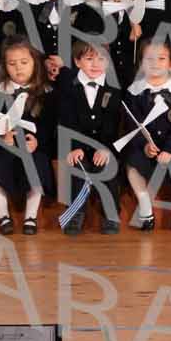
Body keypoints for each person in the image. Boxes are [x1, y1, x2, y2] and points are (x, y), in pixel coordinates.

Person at [0, 38, 49, 235]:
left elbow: (50, 125)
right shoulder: (2, 90)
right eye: (12, 64)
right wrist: (2, 136)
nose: (18, 68)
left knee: (37, 164)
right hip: (5, 143)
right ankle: (3, 216)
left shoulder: (45, 91)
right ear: (5, 67)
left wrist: (38, 141)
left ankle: (30, 217)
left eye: (24, 62)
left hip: (33, 144)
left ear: (35, 63)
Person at [120, 40, 171, 231]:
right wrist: (144, 145)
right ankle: (145, 205)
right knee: (131, 163)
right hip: (146, 147)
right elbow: (132, 124)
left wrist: (169, 149)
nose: (155, 63)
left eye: (161, 58)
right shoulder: (134, 91)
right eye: (149, 59)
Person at [52, 40, 123, 233]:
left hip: (103, 144)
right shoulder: (69, 86)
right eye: (89, 59)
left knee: (107, 165)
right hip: (76, 144)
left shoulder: (113, 88)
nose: (95, 64)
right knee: (78, 166)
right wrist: (74, 146)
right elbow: (67, 120)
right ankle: (75, 213)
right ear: (77, 62)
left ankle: (111, 213)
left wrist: (105, 148)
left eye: (101, 59)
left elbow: (112, 124)